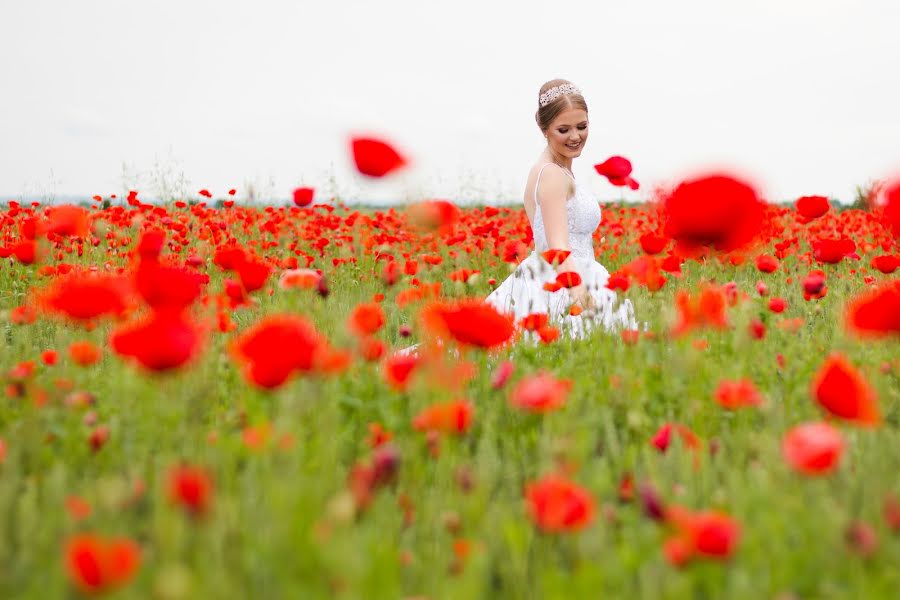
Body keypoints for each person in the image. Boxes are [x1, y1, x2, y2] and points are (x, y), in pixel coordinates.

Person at [481, 79, 638, 340]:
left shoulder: (551, 170)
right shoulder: (552, 174)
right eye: (564, 129)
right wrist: (581, 296)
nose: (575, 136)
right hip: (562, 282)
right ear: (544, 128)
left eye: (582, 126)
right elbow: (557, 248)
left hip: (560, 275)